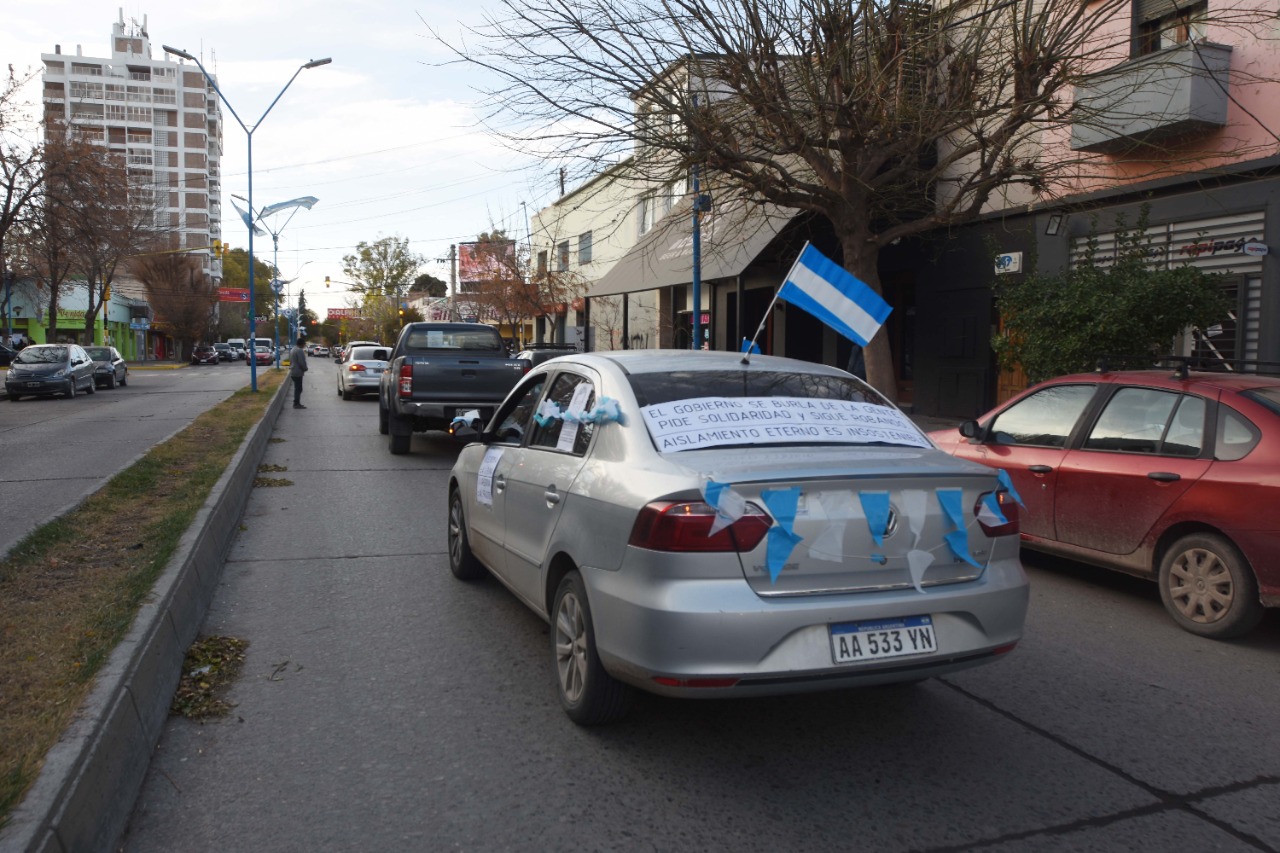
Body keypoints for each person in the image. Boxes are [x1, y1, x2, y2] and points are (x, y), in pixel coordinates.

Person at [289, 335, 309, 409]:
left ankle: (296, 403)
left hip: (293, 371)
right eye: (304, 344)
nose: (304, 346)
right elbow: (301, 362)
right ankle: (296, 403)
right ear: (301, 344)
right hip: (298, 372)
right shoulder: (299, 351)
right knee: (298, 389)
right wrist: (305, 368)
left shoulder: (293, 349)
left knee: (297, 388)